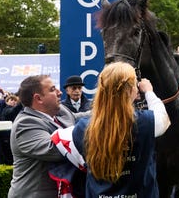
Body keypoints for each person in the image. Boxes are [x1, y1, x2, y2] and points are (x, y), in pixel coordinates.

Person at [73, 62, 170, 198]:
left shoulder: (81, 127)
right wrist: (149, 91)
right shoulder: (144, 122)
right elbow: (164, 120)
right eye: (135, 85)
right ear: (131, 90)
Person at [8, 74, 76, 198]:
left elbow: (83, 119)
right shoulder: (25, 124)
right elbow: (57, 150)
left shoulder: (61, 112)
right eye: (52, 89)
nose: (60, 92)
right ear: (38, 98)